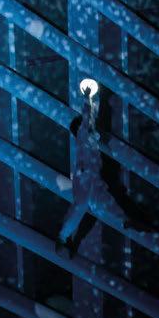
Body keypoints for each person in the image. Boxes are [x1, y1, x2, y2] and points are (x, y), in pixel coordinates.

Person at [56, 80, 138, 256]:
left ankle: (124, 219)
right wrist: (88, 98)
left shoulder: (89, 140)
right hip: (85, 176)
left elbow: (90, 119)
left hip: (92, 176)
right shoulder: (83, 135)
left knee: (103, 201)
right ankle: (63, 237)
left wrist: (94, 100)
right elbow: (88, 118)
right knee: (82, 206)